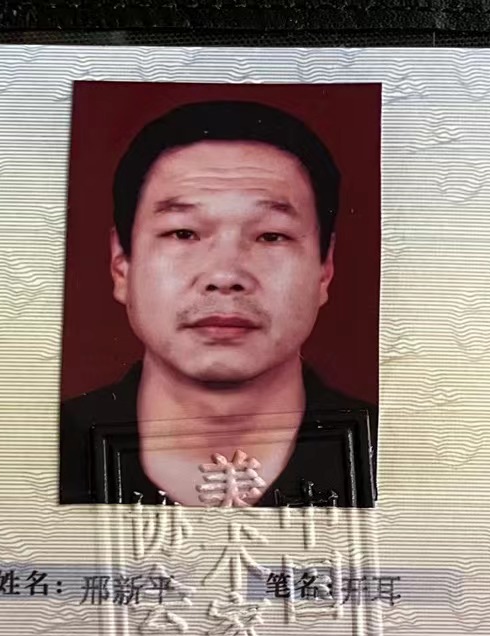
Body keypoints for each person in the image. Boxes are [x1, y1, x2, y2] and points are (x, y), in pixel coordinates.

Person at [59, 100, 376, 507]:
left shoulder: (396, 454)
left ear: (325, 269)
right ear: (121, 263)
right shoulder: (37, 449)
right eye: (183, 233)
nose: (225, 276)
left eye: (271, 236)